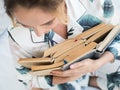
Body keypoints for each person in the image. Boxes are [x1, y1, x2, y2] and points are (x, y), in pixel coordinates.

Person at [4, 0, 120, 90]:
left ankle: (93, 80)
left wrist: (97, 63)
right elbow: (27, 79)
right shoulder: (16, 36)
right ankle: (88, 81)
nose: (39, 33)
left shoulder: (93, 3)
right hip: (60, 78)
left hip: (104, 57)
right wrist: (61, 79)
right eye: (25, 25)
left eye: (48, 22)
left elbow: (118, 33)